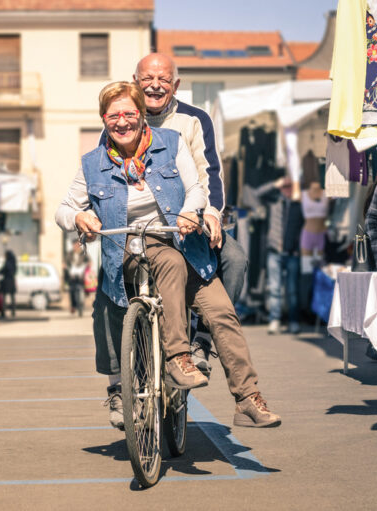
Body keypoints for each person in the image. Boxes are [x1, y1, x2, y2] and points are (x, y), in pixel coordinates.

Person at [56, 81, 280, 428]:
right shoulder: (92, 164)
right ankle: (178, 358)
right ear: (104, 120)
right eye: (113, 115)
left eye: (129, 113)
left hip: (187, 247)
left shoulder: (171, 145)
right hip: (131, 253)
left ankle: (247, 397)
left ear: (141, 115)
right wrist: (79, 217)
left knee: (221, 311)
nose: (122, 121)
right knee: (167, 260)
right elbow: (64, 209)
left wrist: (192, 211)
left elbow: (194, 189)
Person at [92, 53, 249, 378]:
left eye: (163, 79)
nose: (155, 85)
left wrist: (212, 214)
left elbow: (210, 172)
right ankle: (116, 384)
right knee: (106, 287)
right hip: (135, 229)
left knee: (235, 259)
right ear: (136, 82)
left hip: (187, 221)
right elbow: (99, 175)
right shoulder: (120, 119)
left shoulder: (194, 119)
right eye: (147, 79)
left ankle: (202, 337)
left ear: (175, 85)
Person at [254, 176, 304, 335]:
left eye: (290, 186)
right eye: (285, 186)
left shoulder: (299, 204)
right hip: (274, 251)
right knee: (274, 288)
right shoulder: (274, 202)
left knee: (292, 290)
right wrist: (276, 183)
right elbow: (258, 194)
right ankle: (274, 320)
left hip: (292, 253)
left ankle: (293, 321)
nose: (287, 189)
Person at [64, 239, 88, 316]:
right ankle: (73, 306)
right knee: (72, 292)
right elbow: (65, 262)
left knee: (81, 291)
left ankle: (81, 307)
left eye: (77, 245)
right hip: (72, 276)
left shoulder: (83, 253)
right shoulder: (70, 254)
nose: (76, 246)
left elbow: (88, 261)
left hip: (81, 276)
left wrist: (88, 266)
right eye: (74, 245)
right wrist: (65, 266)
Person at [0, 249, 17, 318]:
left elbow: (3, 270)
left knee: (4, 297)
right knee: (12, 297)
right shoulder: (14, 262)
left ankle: (3, 311)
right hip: (12, 280)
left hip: (7, 280)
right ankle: (13, 311)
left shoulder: (8, 262)